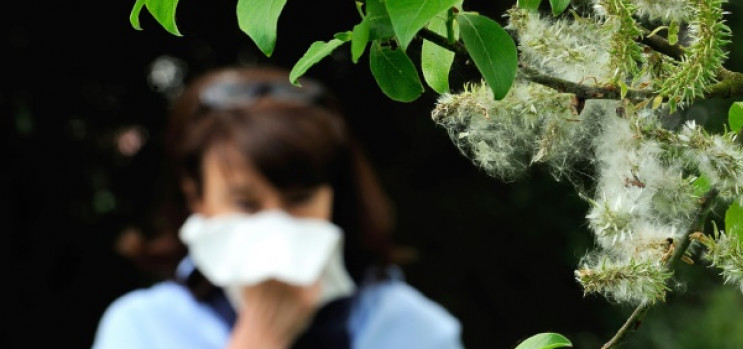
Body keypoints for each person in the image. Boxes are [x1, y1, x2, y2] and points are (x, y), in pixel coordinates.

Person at [91, 65, 464, 349]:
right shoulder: (142, 329)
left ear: (333, 195)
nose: (275, 223)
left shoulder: (413, 329)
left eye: (298, 199)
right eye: (245, 204)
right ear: (196, 196)